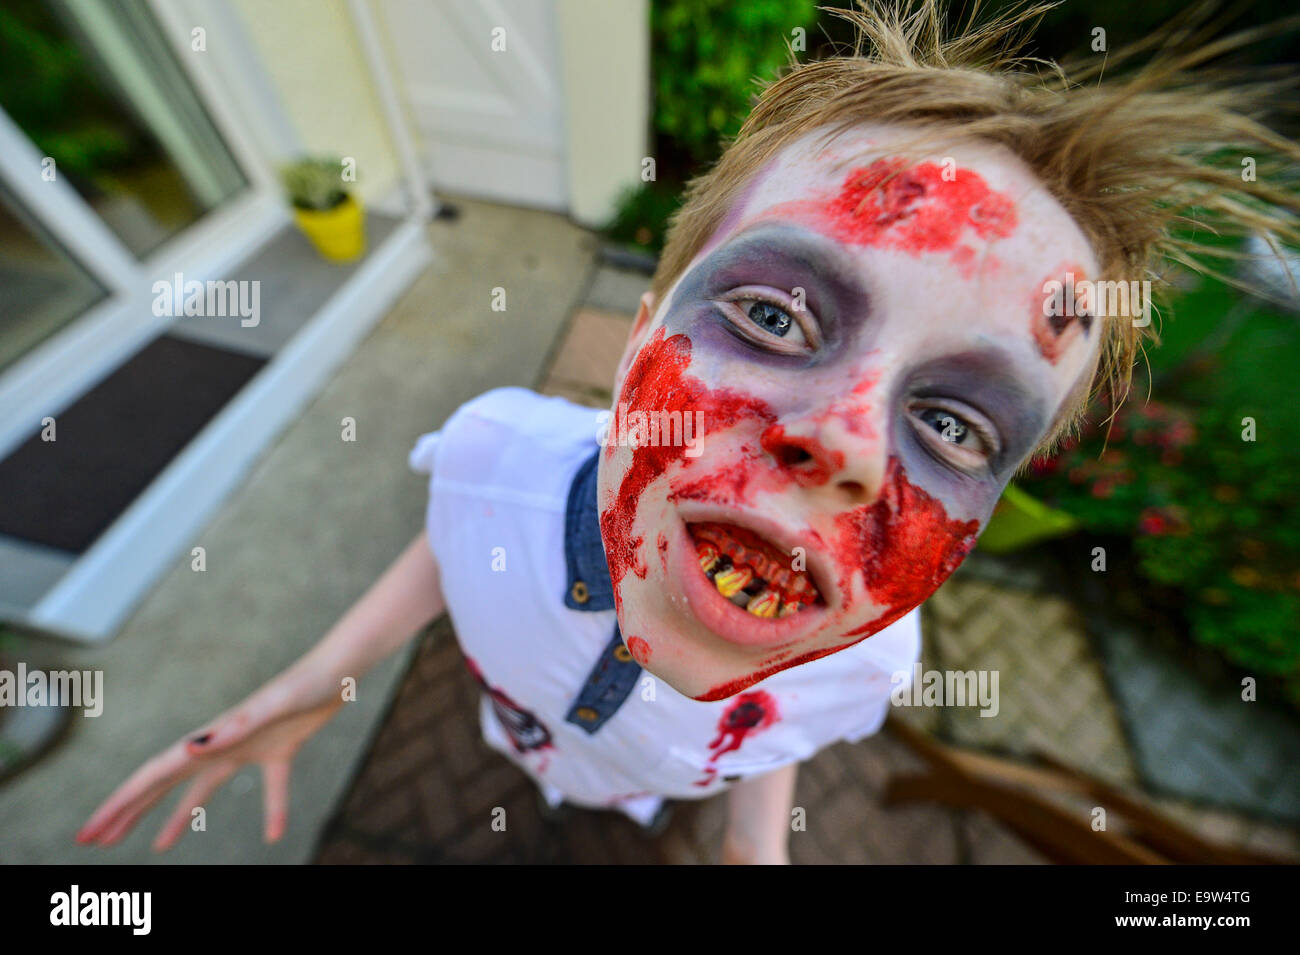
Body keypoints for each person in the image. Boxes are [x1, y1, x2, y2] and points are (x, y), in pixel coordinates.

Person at [77, 0, 1300, 864]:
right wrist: (316, 679)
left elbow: (787, 722)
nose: (851, 445)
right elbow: (451, 540)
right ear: (638, 333)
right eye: (773, 314)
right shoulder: (498, 452)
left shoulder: (873, 661)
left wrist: (752, 848)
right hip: (513, 724)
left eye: (955, 423)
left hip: (647, 792)